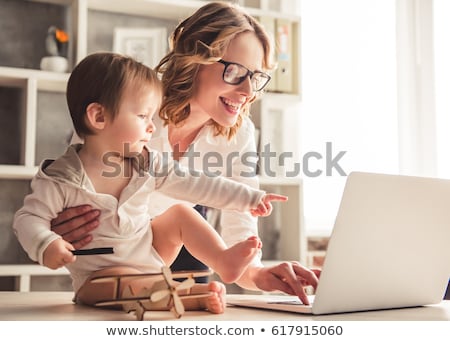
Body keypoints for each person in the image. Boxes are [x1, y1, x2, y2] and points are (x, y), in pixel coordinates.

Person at [50, 1, 320, 305]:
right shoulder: (130, 108)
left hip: (173, 256)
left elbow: (239, 230)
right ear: (196, 60)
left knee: (184, 220)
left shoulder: (238, 134)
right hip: (112, 261)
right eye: (235, 72)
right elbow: (66, 197)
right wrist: (55, 228)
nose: (247, 93)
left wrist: (258, 275)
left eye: (255, 78)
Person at [12, 52, 287, 314]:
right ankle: (187, 298)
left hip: (151, 256)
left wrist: (250, 198)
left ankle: (222, 259)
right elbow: (28, 218)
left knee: (181, 212)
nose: (152, 126)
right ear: (98, 117)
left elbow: (198, 184)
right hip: (98, 280)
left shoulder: (147, 162)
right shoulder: (62, 177)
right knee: (124, 284)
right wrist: (46, 243)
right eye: (143, 117)